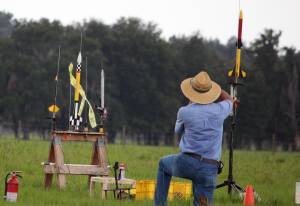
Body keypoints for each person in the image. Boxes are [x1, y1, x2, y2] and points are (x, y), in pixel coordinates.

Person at [154, 71, 234, 206]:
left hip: (187, 163)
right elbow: (230, 100)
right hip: (209, 168)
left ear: (191, 92)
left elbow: (177, 131)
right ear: (211, 92)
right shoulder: (220, 109)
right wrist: (218, 90)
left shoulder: (184, 111)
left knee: (163, 164)